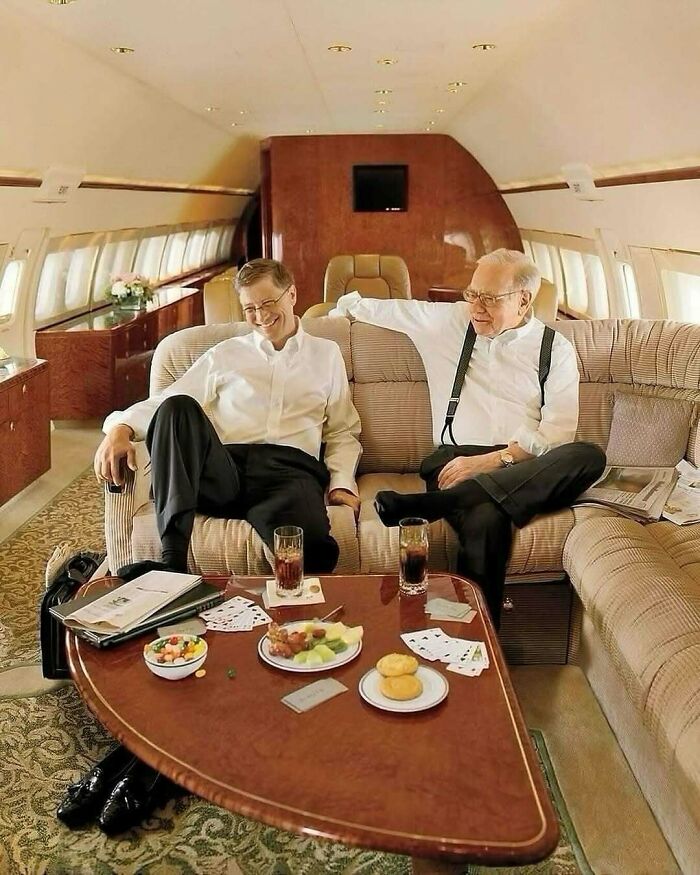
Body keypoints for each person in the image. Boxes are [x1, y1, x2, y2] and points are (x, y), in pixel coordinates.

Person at [330, 249, 605, 628]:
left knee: (588, 455)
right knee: (488, 518)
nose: (476, 307)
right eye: (472, 294)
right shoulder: (448, 321)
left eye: (489, 298)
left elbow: (557, 435)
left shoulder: (554, 349)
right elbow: (367, 306)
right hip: (454, 460)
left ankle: (436, 504)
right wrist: (334, 314)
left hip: (524, 465)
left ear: (524, 300)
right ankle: (480, 641)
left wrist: (492, 461)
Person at [95, 258, 362, 579]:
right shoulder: (225, 354)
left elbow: (342, 431)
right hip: (226, 472)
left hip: (290, 474)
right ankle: (172, 562)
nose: (260, 315)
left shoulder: (326, 354)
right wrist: (120, 428)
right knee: (176, 408)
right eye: (250, 308)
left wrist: (342, 483)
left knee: (315, 551)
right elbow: (165, 401)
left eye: (268, 303)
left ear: (291, 294)